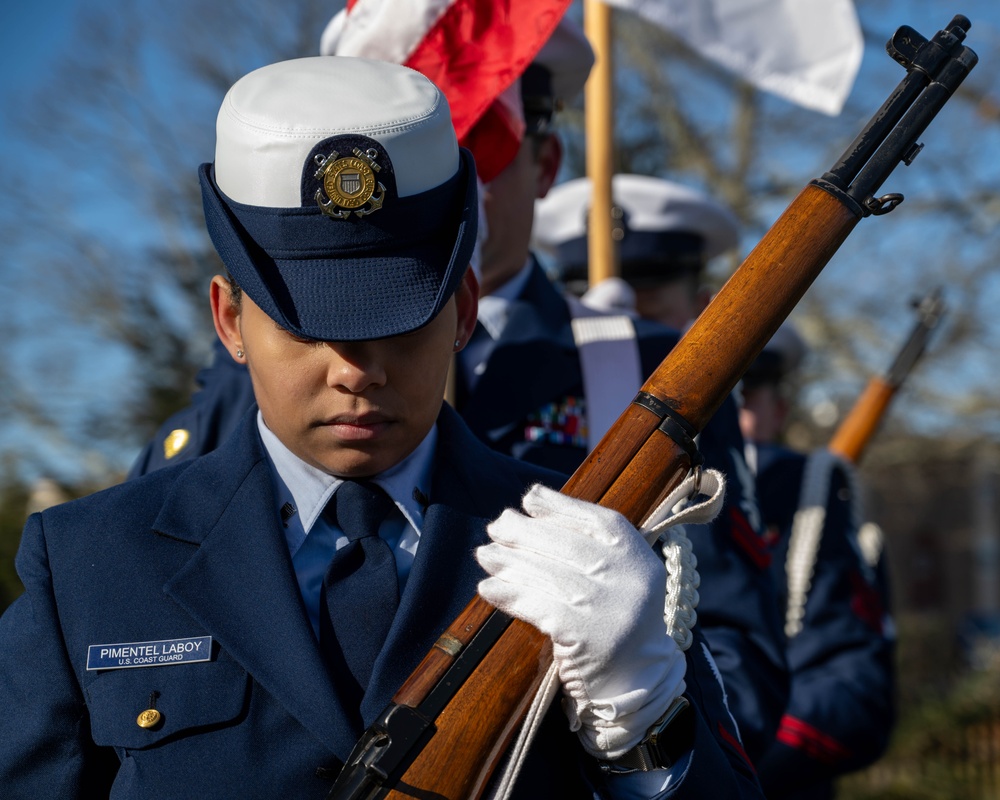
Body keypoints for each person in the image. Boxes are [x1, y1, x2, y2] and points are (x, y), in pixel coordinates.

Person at [0, 55, 765, 798]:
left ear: (462, 312)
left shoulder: (596, 549)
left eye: (399, 323)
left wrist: (645, 730)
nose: (357, 371)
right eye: (308, 330)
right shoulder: (89, 563)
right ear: (230, 320)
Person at [528, 172, 789, 764]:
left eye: (649, 295)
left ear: (702, 308)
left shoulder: (695, 412)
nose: (617, 309)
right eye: (580, 290)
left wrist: (650, 744)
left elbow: (737, 649)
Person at [739, 325, 896, 799]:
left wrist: (720, 768)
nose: (724, 421)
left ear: (777, 411)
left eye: (742, 401)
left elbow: (853, 693)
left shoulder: (809, 496)